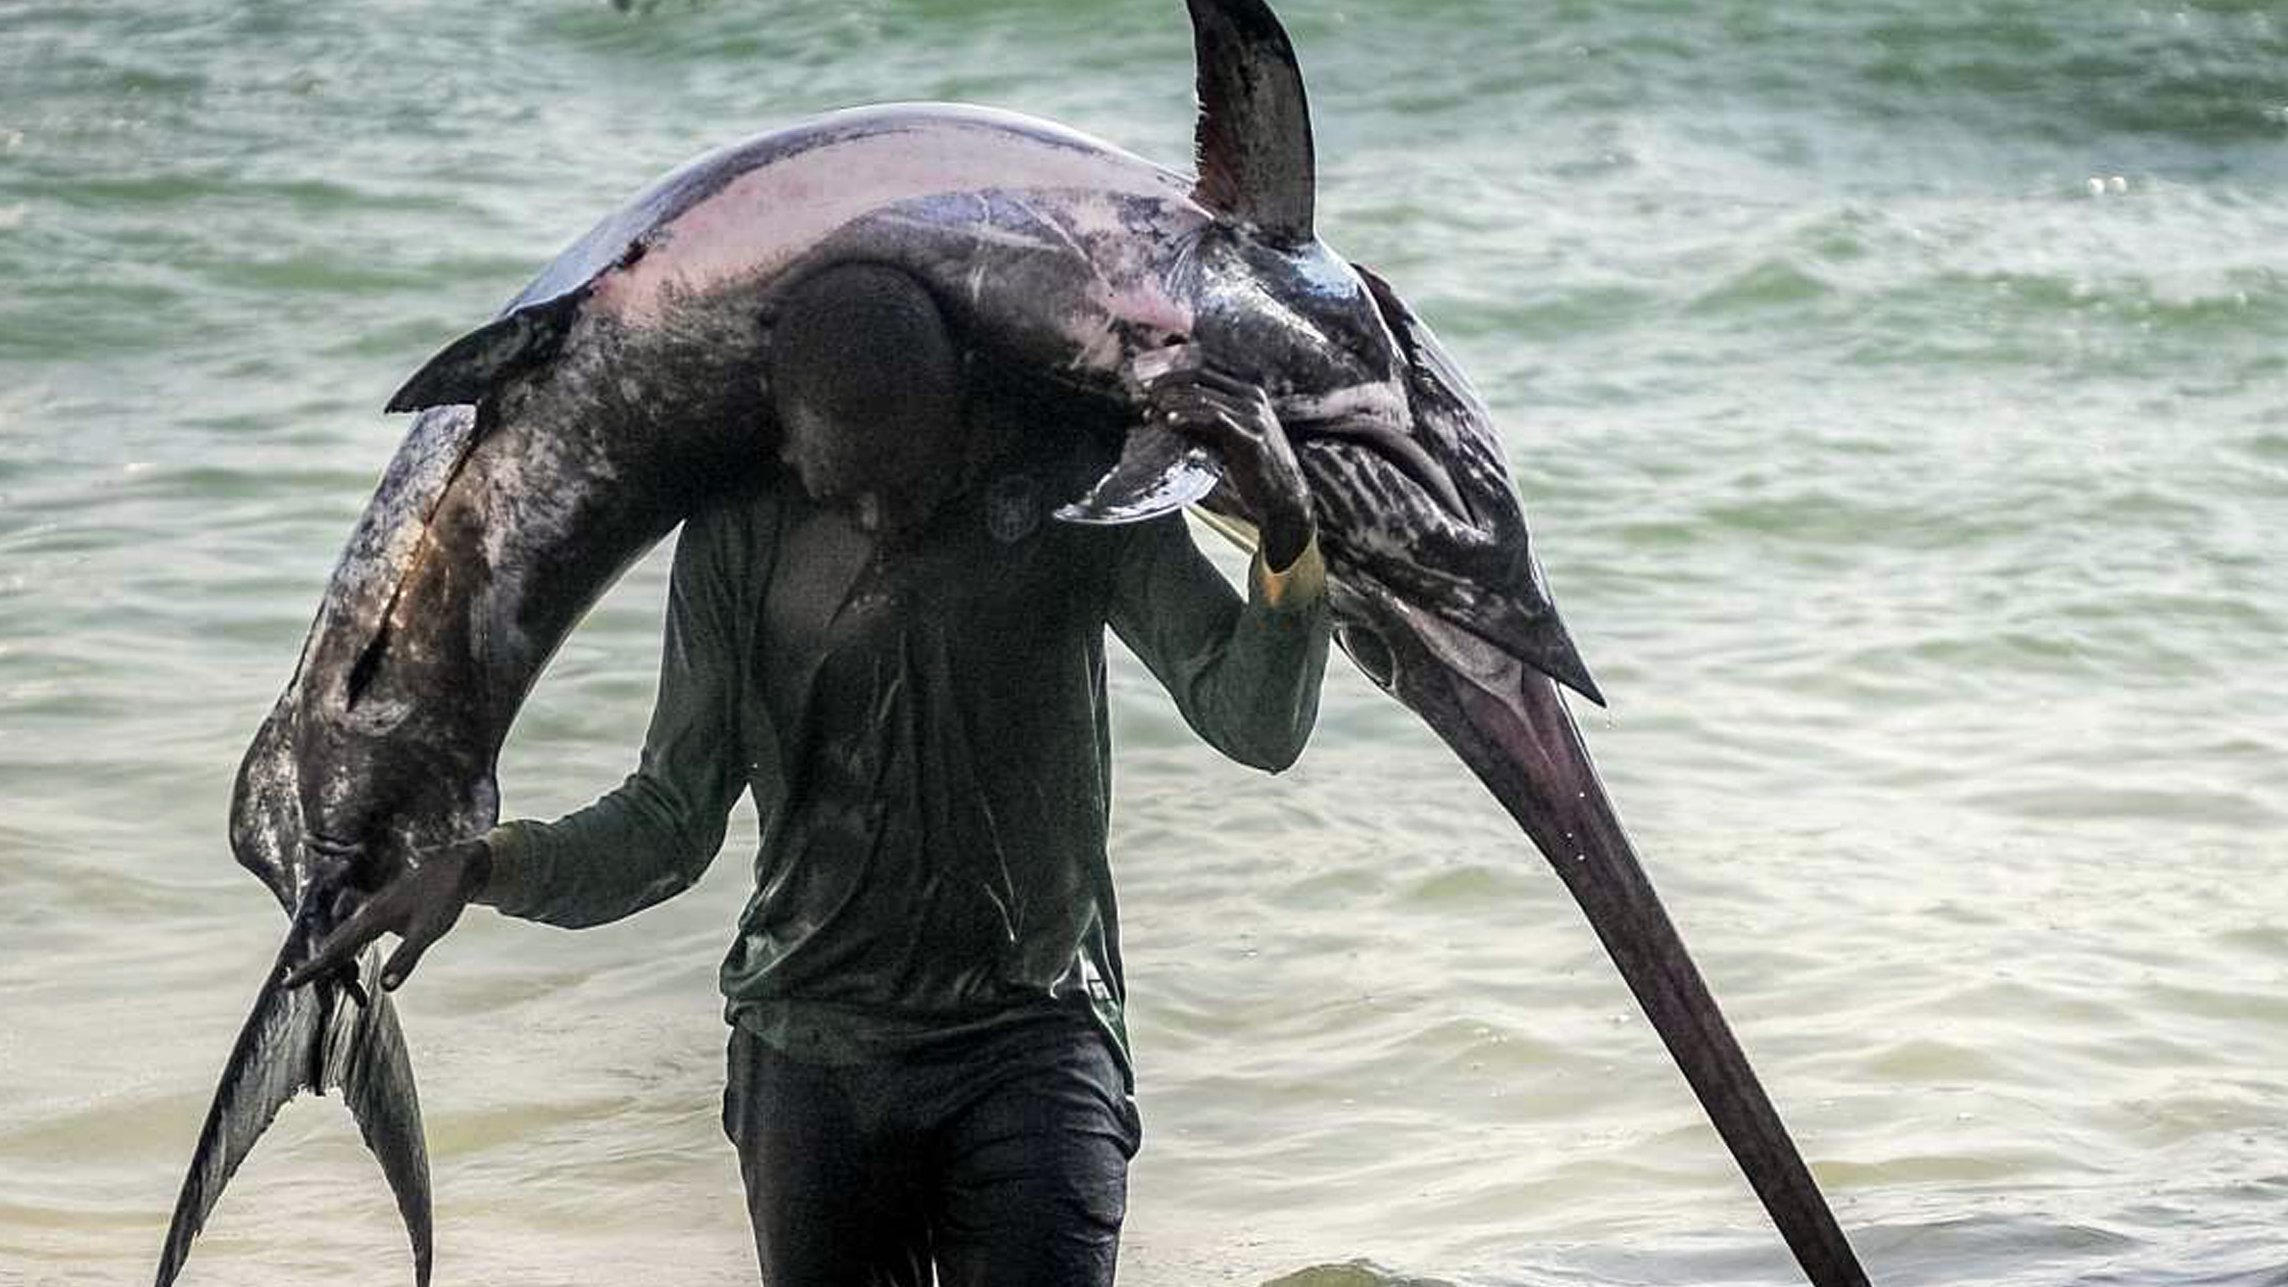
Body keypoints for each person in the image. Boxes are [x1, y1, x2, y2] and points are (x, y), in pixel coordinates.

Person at [291, 263, 1332, 1285]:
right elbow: (666, 822)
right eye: (848, 493)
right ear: (787, 438)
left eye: (907, 483)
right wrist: (483, 866)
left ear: (960, 406)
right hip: (809, 1052)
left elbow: (1255, 724)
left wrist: (1286, 546)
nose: (879, 519)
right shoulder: (736, 539)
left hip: (1031, 1036)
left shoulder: (1071, 489)